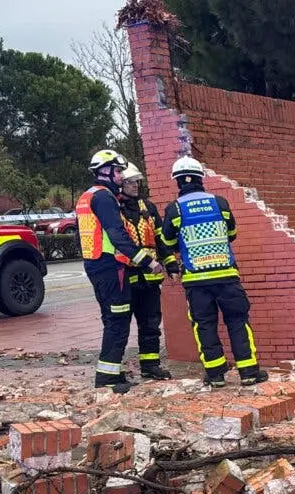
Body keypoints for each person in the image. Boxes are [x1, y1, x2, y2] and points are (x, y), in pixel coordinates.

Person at [160, 157, 266, 387]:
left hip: (196, 281)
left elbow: (167, 241)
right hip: (227, 276)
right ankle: (249, 372)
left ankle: (216, 375)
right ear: (201, 178)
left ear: (178, 181)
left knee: (205, 326)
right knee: (238, 322)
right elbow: (232, 234)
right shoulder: (220, 203)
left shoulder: (174, 209)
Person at [76, 149, 165, 394]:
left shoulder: (87, 196)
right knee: (118, 321)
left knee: (112, 319)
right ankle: (107, 379)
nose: (120, 176)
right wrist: (147, 261)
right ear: (105, 171)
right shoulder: (104, 198)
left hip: (96, 265)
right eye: (117, 171)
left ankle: (112, 373)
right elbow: (117, 234)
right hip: (110, 267)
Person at [117, 162, 174, 381]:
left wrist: (171, 264)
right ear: (121, 184)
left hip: (149, 279)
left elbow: (160, 239)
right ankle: (115, 369)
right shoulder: (114, 209)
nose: (135, 186)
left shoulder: (148, 208)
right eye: (130, 182)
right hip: (124, 278)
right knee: (120, 325)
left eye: (137, 182)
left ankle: (150, 366)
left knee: (150, 324)